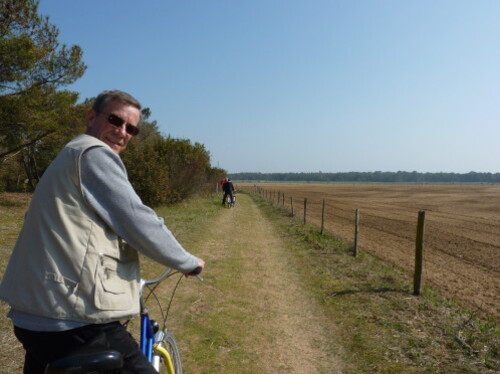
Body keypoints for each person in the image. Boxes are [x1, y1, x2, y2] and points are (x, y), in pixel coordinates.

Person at [0, 90, 204, 374]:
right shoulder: (93, 153)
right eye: (115, 120)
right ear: (91, 117)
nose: (122, 132)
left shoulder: (69, 155)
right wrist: (187, 262)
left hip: (35, 315)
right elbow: (135, 219)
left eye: (131, 128)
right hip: (72, 318)